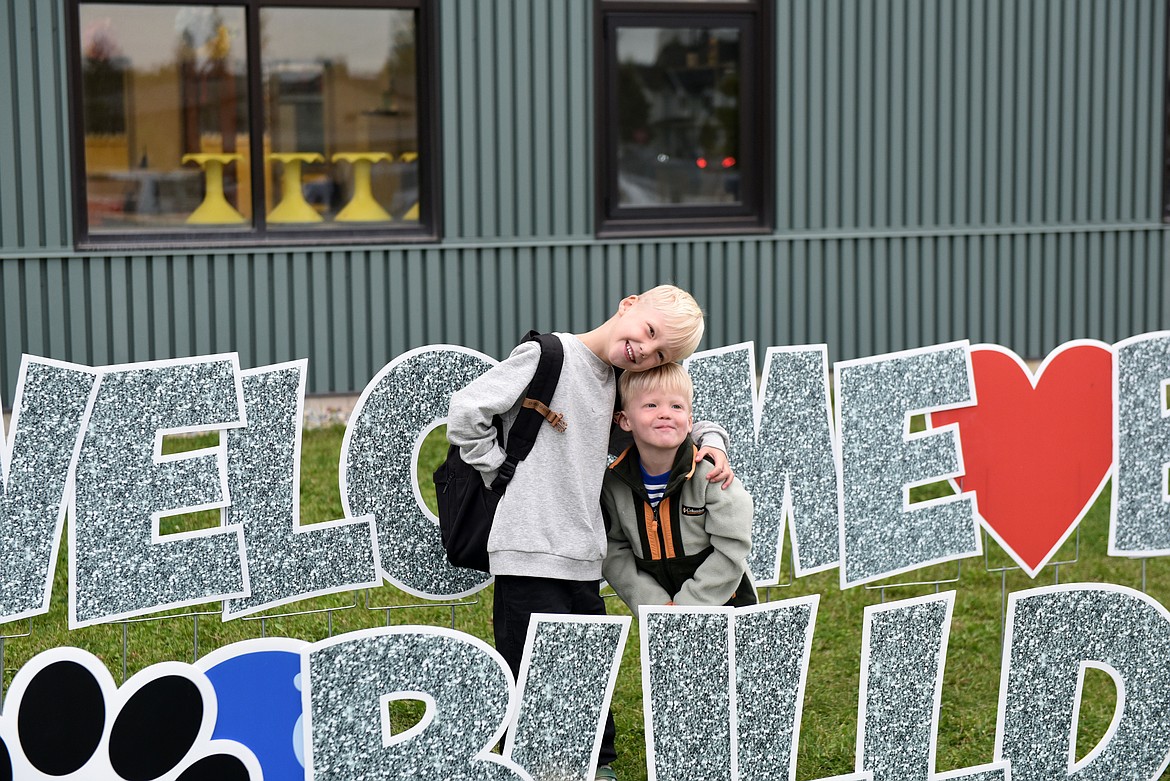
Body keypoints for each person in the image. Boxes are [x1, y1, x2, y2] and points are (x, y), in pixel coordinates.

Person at [446, 285, 731, 781]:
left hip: (583, 552)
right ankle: (535, 767)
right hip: (529, 546)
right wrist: (501, 476)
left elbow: (668, 415)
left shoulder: (618, 385)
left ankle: (594, 765)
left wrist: (711, 440)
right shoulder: (548, 355)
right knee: (533, 670)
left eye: (661, 352)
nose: (647, 349)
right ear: (628, 304)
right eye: (648, 332)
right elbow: (468, 410)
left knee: (586, 666)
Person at [602, 362, 756, 619]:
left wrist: (687, 608)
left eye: (676, 406)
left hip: (727, 606)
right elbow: (614, 550)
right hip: (661, 613)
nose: (665, 413)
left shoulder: (711, 475)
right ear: (625, 420)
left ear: (689, 422)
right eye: (651, 405)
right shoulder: (615, 484)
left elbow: (733, 545)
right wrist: (656, 607)